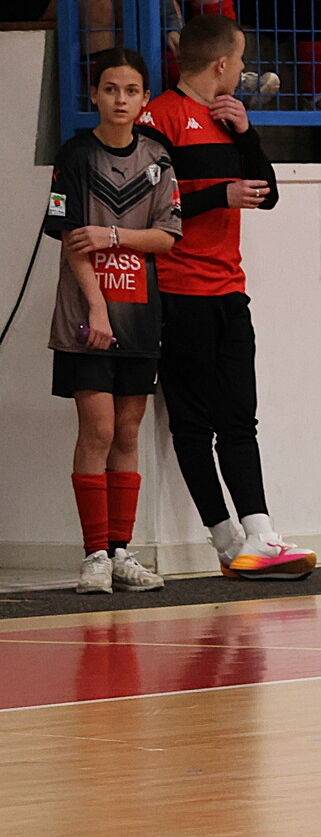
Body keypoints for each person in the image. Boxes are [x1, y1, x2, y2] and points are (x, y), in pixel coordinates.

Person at [136, 14, 319, 580]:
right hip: (178, 290)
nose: (242, 69)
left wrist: (247, 135)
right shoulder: (159, 118)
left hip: (228, 289)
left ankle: (261, 534)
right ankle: (226, 540)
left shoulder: (227, 118)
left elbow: (268, 194)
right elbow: (144, 208)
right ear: (221, 64)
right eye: (239, 60)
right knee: (193, 424)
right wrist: (220, 194)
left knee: (240, 416)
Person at [43, 47, 181, 595]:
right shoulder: (75, 155)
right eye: (109, 89)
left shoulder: (158, 157)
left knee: (127, 430)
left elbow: (166, 237)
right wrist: (96, 307)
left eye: (131, 91)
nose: (120, 99)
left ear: (144, 99)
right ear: (94, 94)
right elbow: (72, 239)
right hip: (87, 316)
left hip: (140, 315)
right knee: (97, 429)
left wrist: (114, 235)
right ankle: (94, 555)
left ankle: (122, 551)